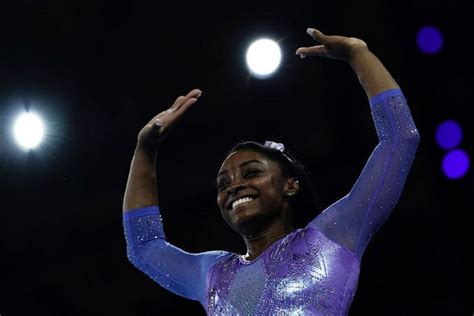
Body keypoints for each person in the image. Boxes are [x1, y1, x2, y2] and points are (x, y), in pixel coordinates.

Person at [122, 27, 420, 315]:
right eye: (222, 184)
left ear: (290, 185)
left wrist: (359, 54)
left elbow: (399, 140)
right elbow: (145, 247)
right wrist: (145, 149)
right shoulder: (211, 273)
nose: (234, 187)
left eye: (251, 173)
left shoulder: (332, 237)